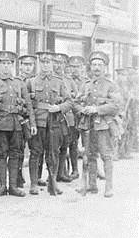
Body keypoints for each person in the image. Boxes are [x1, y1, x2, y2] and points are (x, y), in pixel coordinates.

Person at [0, 51, 34, 197]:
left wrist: (32, 123)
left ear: (13, 65)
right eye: (3, 63)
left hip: (17, 124)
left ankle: (13, 186)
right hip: (0, 123)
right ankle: (2, 186)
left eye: (9, 64)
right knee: (2, 154)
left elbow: (28, 103)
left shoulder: (19, 83)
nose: (6, 67)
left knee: (15, 154)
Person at [75, 51, 121, 197]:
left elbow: (116, 106)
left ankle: (109, 187)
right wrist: (83, 109)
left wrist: (97, 109)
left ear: (105, 67)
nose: (96, 68)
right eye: (94, 64)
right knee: (90, 155)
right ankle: (92, 186)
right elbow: (76, 103)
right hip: (88, 125)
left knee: (106, 155)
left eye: (100, 65)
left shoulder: (110, 86)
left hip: (103, 126)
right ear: (90, 67)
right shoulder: (85, 85)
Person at [25, 51, 71, 196]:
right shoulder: (31, 82)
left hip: (54, 122)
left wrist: (59, 107)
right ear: (39, 63)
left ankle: (53, 183)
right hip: (38, 123)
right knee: (35, 153)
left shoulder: (59, 81)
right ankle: (33, 184)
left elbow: (69, 101)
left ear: (52, 64)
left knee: (54, 153)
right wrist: (32, 123)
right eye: (43, 62)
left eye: (48, 62)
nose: (45, 65)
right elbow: (28, 106)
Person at [54, 53, 78, 182]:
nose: (58, 65)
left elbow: (75, 99)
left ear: (65, 65)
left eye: (61, 63)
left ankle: (62, 172)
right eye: (56, 62)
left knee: (65, 145)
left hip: (68, 118)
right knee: (53, 147)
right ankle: (54, 174)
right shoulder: (50, 79)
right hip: (53, 118)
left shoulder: (69, 81)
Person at [17, 54, 37, 188]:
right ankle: (18, 176)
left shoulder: (37, 81)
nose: (28, 67)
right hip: (20, 119)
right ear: (20, 66)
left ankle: (35, 179)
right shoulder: (16, 81)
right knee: (18, 149)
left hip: (35, 118)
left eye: (30, 65)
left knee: (35, 149)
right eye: (25, 64)